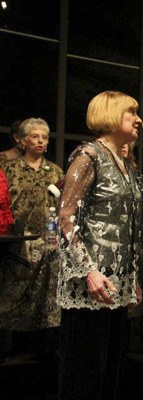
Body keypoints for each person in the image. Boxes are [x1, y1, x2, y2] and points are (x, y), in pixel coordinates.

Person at [57, 91, 143, 399]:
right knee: (85, 368)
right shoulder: (88, 155)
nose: (138, 118)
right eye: (131, 112)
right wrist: (87, 270)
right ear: (110, 115)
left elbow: (129, 226)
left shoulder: (125, 163)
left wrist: (134, 278)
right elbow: (65, 218)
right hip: (92, 279)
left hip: (117, 280)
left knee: (112, 366)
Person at [0, 118, 63, 335]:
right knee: (12, 291)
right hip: (18, 241)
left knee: (46, 295)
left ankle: (44, 346)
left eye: (44, 137)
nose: (40, 141)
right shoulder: (9, 169)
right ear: (23, 140)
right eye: (35, 136)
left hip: (48, 241)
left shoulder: (55, 172)